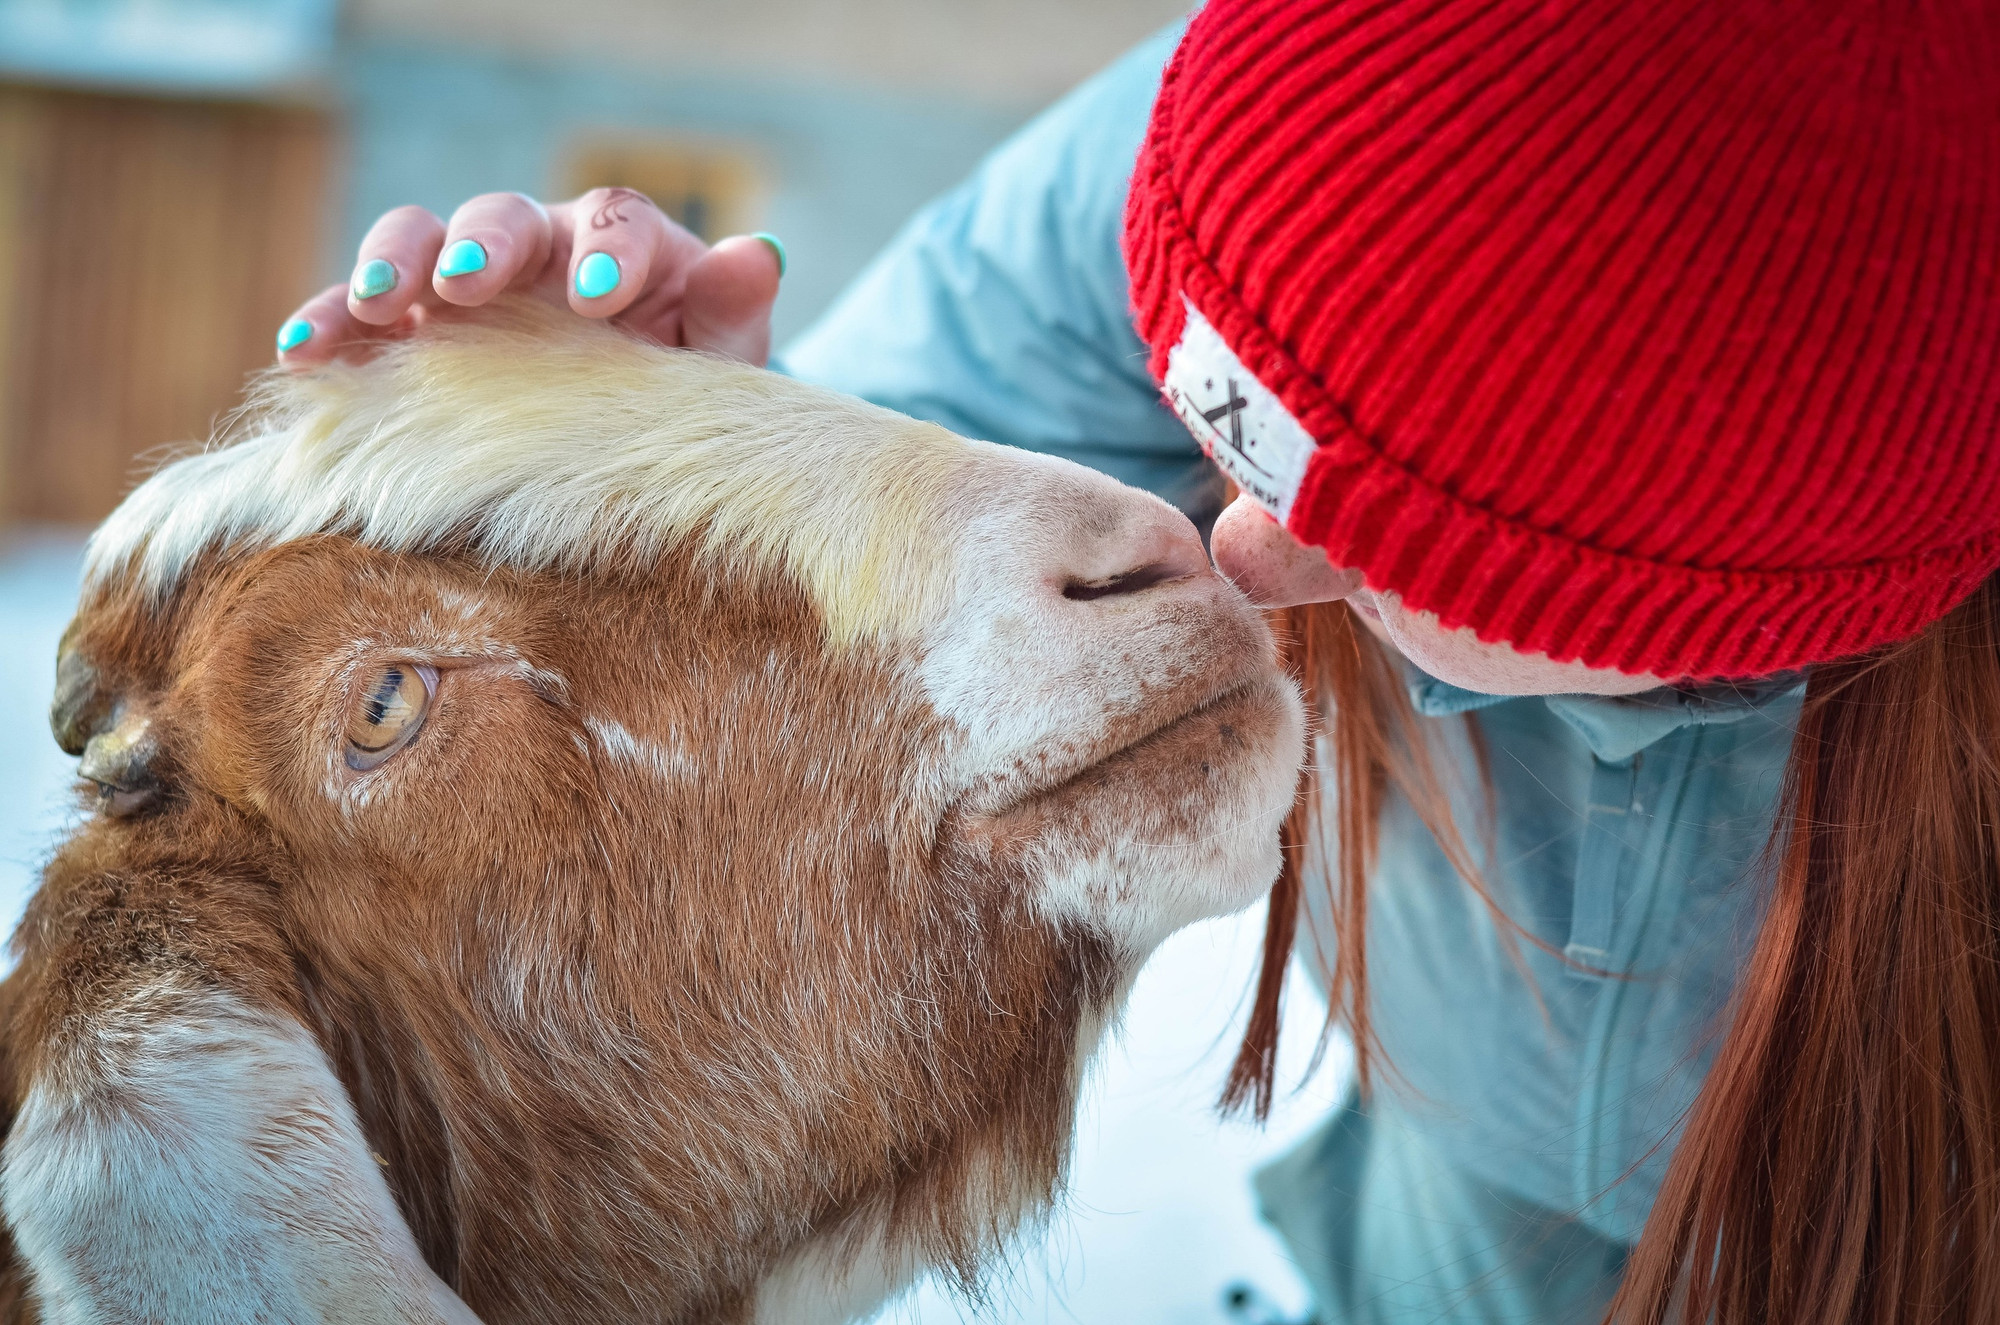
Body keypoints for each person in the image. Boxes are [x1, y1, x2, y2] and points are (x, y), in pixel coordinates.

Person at [273, 1, 2000, 1320]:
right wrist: (713, 481)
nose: (1227, 552)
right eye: (1216, 427)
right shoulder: (1284, 124)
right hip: (1422, 1239)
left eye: (1398, 536)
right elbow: (927, 488)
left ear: (1770, 609)